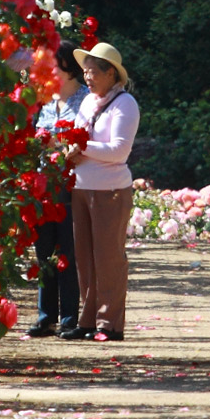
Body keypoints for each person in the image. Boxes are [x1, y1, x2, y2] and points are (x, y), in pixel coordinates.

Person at [68, 42, 139, 342]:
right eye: (85, 73)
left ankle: (109, 324)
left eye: (93, 72)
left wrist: (82, 147)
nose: (88, 78)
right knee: (84, 258)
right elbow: (75, 135)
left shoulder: (125, 104)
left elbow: (119, 151)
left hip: (110, 190)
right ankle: (87, 320)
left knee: (108, 258)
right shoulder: (86, 102)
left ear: (111, 74)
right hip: (81, 188)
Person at [28, 41, 89, 338]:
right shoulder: (48, 100)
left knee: (68, 250)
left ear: (66, 66)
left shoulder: (86, 100)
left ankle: (68, 317)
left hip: (72, 184)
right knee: (44, 251)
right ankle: (45, 316)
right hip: (43, 185)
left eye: (51, 64)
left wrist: (58, 143)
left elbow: (86, 139)